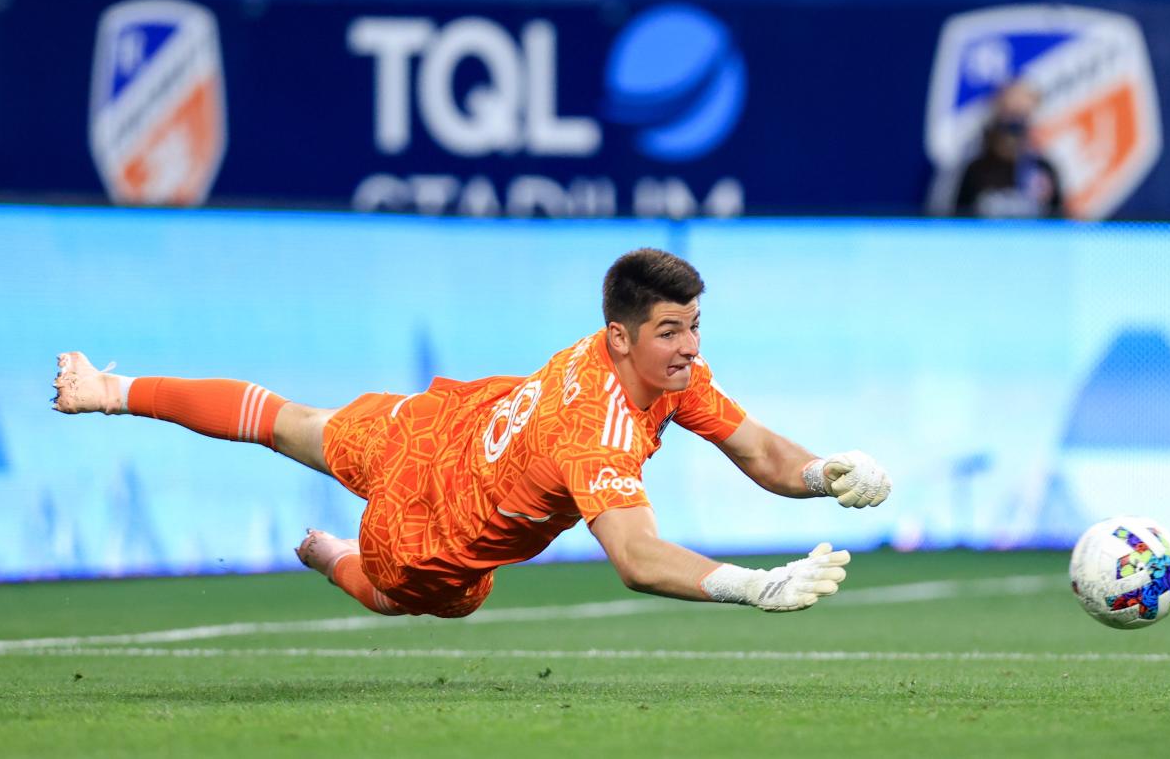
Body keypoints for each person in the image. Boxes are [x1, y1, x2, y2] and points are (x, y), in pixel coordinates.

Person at [53, 249, 891, 617]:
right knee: (450, 599)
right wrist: (751, 585)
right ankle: (329, 552)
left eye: (695, 326)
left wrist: (827, 472)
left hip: (436, 430)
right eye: (673, 330)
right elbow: (637, 561)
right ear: (622, 338)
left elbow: (758, 453)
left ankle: (110, 389)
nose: (692, 347)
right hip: (430, 531)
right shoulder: (594, 430)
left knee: (288, 422)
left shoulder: (657, 369)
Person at [952, 81, 1064, 219]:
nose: (1016, 121)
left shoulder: (1044, 170)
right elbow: (958, 224)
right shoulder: (976, 170)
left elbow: (1059, 224)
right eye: (1011, 112)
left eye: (1023, 113)